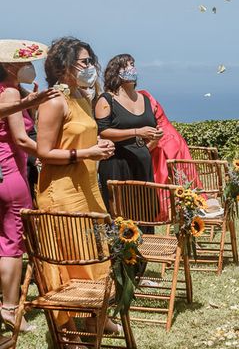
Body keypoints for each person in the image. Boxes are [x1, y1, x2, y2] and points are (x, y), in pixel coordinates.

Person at [36, 37, 117, 337]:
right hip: (62, 193)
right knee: (71, 259)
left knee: (99, 253)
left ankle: (97, 316)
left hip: (86, 186)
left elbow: (78, 138)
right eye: (84, 62)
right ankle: (69, 330)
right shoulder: (54, 101)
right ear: (64, 66)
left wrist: (97, 144)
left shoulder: (83, 97)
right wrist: (87, 153)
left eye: (90, 61)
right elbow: (43, 152)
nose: (90, 67)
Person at [0, 39, 49, 332]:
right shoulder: (9, 93)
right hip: (10, 172)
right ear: (8, 67)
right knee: (12, 243)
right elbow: (20, 139)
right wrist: (52, 156)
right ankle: (8, 307)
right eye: (21, 63)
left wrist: (31, 104)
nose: (27, 67)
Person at [94, 54, 162, 211]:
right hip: (117, 163)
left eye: (133, 64)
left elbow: (150, 127)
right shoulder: (107, 99)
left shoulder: (144, 99)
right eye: (126, 65)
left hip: (142, 161)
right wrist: (137, 132)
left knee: (145, 212)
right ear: (115, 71)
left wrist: (155, 136)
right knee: (122, 214)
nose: (132, 68)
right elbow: (103, 131)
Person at [138, 89, 195, 219]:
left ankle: (173, 211)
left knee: (169, 177)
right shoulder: (142, 95)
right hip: (170, 138)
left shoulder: (143, 97)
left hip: (164, 142)